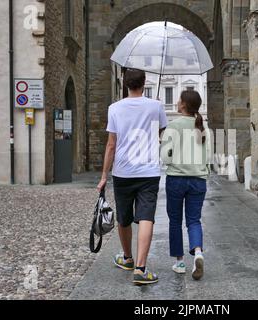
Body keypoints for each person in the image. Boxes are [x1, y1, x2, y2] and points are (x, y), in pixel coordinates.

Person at [97, 68, 168, 286]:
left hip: (123, 172)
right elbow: (159, 133)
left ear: (124, 83)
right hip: (148, 171)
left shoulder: (114, 108)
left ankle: (127, 258)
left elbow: (111, 144)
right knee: (146, 216)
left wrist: (103, 176)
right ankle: (141, 268)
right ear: (144, 82)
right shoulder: (156, 106)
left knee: (124, 217)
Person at [160, 90, 212, 281]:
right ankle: (198, 252)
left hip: (176, 179)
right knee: (194, 220)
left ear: (183, 105)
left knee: (175, 221)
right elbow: (209, 157)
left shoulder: (173, 126)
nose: (176, 101)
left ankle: (180, 262)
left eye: (179, 99)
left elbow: (165, 157)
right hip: (198, 180)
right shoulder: (203, 128)